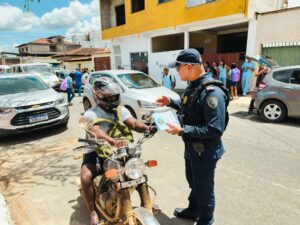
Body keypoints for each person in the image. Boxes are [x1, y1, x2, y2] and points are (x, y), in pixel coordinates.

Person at [156, 49, 229, 225]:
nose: (177, 71)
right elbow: (189, 106)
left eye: (178, 68)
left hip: (205, 150)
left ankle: (206, 220)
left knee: (204, 188)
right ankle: (193, 210)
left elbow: (215, 130)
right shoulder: (194, 85)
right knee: (193, 182)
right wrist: (171, 102)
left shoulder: (212, 92)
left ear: (189, 66)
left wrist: (181, 130)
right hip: (192, 147)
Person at [81, 77, 156, 225]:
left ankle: (146, 205)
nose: (113, 99)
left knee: (137, 172)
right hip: (97, 150)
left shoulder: (121, 109)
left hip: (119, 150)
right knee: (86, 177)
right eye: (109, 97)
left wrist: (147, 128)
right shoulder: (91, 114)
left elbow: (133, 123)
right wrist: (111, 140)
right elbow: (97, 131)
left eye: (115, 96)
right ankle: (92, 211)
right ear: (98, 97)